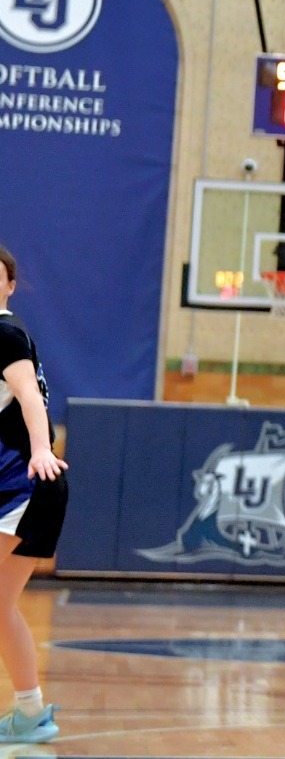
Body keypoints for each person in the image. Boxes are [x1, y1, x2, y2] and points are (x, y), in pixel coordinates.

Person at [0, 247, 66, 744]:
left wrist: (42, 448)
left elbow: (28, 395)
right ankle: (29, 713)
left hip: (25, 484)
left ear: (10, 285)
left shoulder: (4, 333)